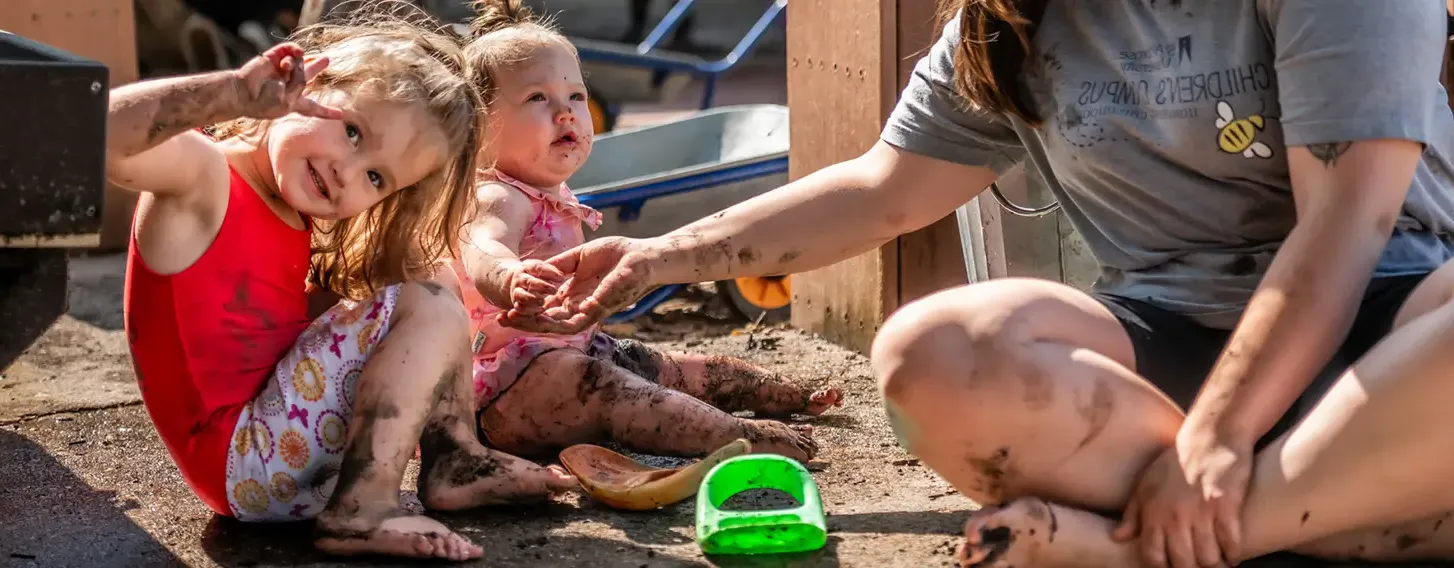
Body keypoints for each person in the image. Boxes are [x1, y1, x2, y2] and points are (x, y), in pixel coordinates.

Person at [510, 0, 1454, 566]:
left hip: (1391, 329)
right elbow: (887, 190)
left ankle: (1183, 539)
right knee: (933, 351)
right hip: (1168, 338)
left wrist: (1220, 436)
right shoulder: (1007, 18)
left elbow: (1347, 225)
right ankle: (1336, 508)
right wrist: (659, 255)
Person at [113, 10, 573, 561]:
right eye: (353, 132)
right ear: (311, 83)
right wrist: (230, 92)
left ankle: (454, 456)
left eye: (376, 178)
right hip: (243, 459)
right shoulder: (205, 178)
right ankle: (362, 511)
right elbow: (100, 133)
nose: (348, 174)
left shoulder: (291, 210)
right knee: (419, 301)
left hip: (275, 456)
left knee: (432, 279)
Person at [449, 0, 837, 465]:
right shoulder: (497, 196)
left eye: (575, 96)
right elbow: (480, 245)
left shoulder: (543, 187)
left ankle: (783, 392)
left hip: (572, 354)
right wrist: (508, 276)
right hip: (508, 389)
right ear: (477, 123)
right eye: (537, 99)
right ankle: (738, 438)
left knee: (678, 369)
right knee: (625, 397)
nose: (566, 113)